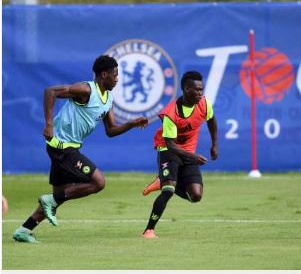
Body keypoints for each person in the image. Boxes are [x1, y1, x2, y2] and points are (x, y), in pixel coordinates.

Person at [13, 55, 149, 243]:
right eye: (115, 75)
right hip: (61, 146)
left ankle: (24, 230)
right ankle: (47, 203)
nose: (117, 79)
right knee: (98, 182)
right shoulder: (86, 90)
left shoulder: (108, 98)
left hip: (70, 147)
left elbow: (111, 130)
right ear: (104, 75)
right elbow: (50, 92)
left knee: (58, 196)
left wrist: (132, 124)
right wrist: (49, 124)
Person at [142, 71, 218, 238]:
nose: (200, 93)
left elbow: (211, 120)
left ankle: (162, 180)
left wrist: (214, 145)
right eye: (196, 89)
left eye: (201, 89)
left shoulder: (204, 104)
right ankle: (149, 230)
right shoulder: (171, 113)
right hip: (168, 150)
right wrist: (194, 157)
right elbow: (170, 145)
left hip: (188, 152)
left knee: (196, 196)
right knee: (168, 190)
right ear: (186, 88)